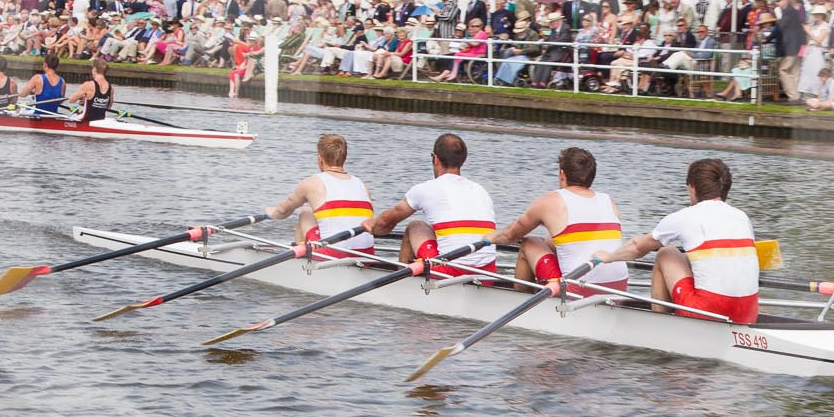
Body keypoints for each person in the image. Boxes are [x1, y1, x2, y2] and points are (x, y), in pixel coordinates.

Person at [593, 158, 760, 323]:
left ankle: (661, 324)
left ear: (692, 188)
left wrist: (608, 257)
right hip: (749, 312)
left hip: (708, 311)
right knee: (690, 258)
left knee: (667, 252)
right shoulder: (742, 217)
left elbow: (637, 247)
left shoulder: (686, 216)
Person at [491, 146, 629, 294]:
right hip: (619, 287)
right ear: (591, 176)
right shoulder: (608, 201)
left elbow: (511, 236)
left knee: (530, 243)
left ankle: (519, 301)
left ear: (562, 174)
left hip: (578, 290)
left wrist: (490, 237)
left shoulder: (551, 200)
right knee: (550, 241)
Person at [366, 132, 500, 274]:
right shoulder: (481, 190)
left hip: (450, 271)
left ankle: (401, 284)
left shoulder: (427, 189)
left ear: (435, 159)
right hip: (488, 272)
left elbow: (386, 222)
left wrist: (371, 226)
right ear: (462, 162)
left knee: (414, 226)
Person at [264, 133, 376, 259]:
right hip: (367, 255)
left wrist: (271, 212)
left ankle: (301, 262)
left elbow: (283, 211)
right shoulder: (363, 186)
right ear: (345, 157)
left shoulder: (312, 182)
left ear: (320, 158)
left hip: (334, 255)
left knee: (305, 212)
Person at [64, 58, 114, 124]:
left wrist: (82, 99)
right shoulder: (111, 88)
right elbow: (108, 106)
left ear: (94, 70)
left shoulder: (88, 85)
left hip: (86, 120)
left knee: (70, 116)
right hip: (100, 121)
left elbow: (71, 100)